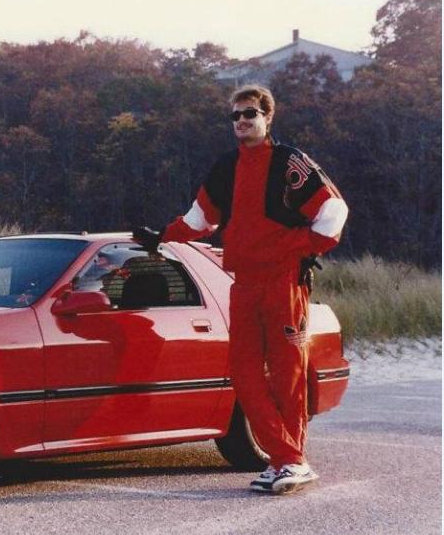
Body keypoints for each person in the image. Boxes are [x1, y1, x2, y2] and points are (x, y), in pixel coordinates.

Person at [132, 85, 348, 495]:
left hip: (284, 280)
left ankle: (289, 460)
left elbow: (333, 212)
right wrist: (161, 236)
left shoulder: (289, 162)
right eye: (235, 116)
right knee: (243, 372)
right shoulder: (225, 168)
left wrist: (299, 248)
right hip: (244, 282)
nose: (242, 121)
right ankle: (286, 458)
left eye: (250, 113)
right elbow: (199, 221)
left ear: (267, 117)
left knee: (288, 372)